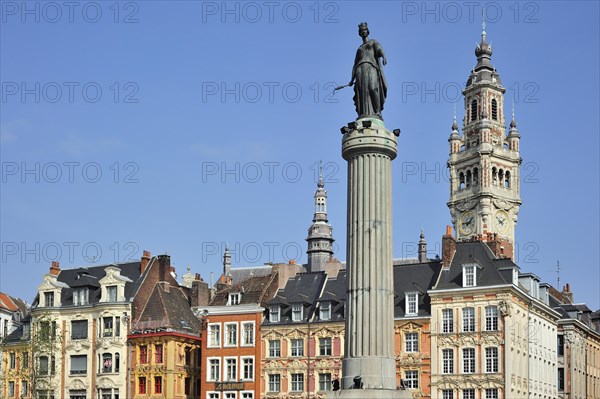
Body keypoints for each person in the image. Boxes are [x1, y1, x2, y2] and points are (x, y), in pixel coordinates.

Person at [349, 22, 388, 120]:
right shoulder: (359, 49)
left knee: (373, 88)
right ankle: (363, 113)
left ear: (368, 31)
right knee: (362, 92)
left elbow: (379, 49)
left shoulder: (373, 42)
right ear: (359, 33)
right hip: (360, 70)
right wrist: (351, 79)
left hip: (371, 67)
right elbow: (354, 65)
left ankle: (378, 111)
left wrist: (384, 56)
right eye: (361, 30)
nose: (363, 31)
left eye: (364, 30)